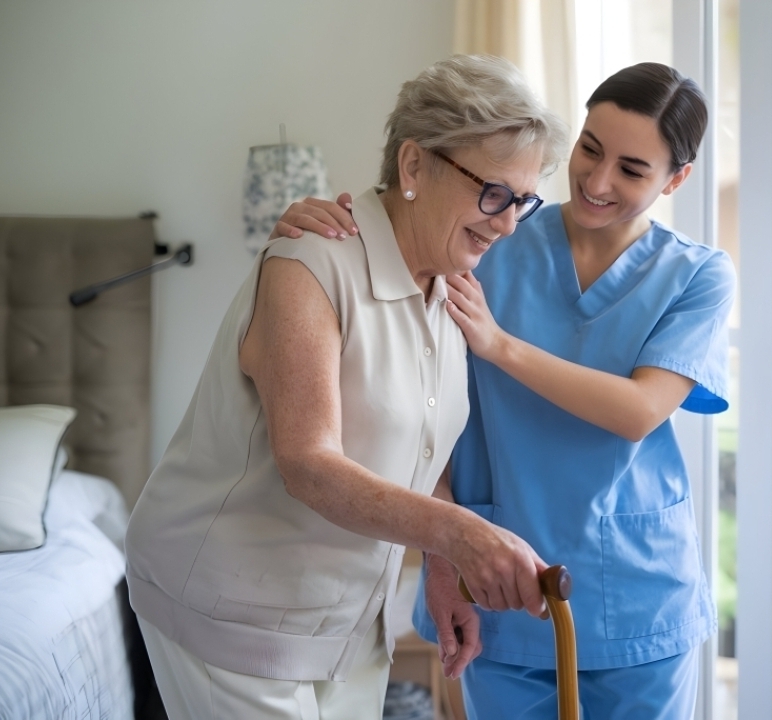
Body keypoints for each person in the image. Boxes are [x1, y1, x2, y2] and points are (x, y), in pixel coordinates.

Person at [275, 62, 735, 720]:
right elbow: (397, 280)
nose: (598, 182)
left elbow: (637, 412)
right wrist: (317, 222)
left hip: (637, 594)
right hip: (496, 582)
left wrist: (499, 345)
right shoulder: (495, 233)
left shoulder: (698, 277)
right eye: (589, 150)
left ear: (676, 179)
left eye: (632, 170)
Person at [124, 54, 570, 720]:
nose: (508, 222)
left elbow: (422, 441)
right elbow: (309, 463)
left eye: (524, 201)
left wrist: (442, 567)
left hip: (352, 624)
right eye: (494, 193)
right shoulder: (312, 264)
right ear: (415, 166)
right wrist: (461, 536)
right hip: (232, 614)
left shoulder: (451, 289)